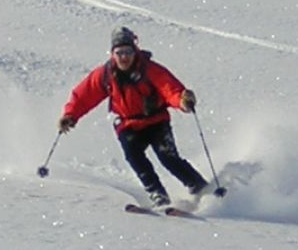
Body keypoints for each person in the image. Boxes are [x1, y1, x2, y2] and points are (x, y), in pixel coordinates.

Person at [58, 26, 208, 208]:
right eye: (119, 52)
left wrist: (183, 101)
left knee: (168, 157)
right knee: (133, 155)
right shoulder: (105, 74)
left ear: (135, 50)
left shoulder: (150, 69)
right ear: (112, 53)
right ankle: (156, 193)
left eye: (128, 51)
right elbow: (84, 95)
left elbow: (170, 89)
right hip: (128, 123)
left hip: (156, 121)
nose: (124, 57)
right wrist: (70, 115)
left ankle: (199, 187)